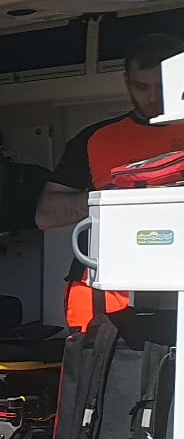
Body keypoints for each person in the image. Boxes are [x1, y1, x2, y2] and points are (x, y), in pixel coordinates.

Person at [35, 32, 184, 329]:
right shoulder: (95, 140)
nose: (153, 97)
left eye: (163, 86)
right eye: (142, 87)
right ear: (127, 81)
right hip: (110, 294)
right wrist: (110, 198)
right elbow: (44, 215)